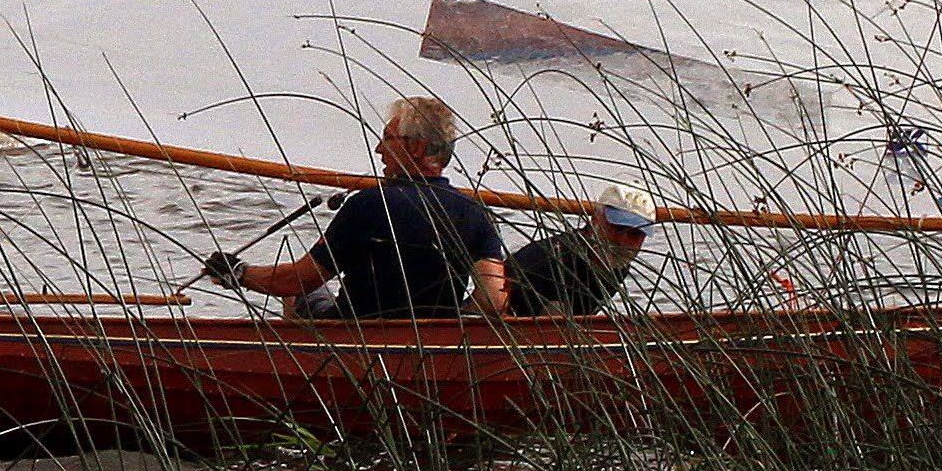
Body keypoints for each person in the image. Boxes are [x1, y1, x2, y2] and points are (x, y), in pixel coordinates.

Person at [207, 96, 510, 319]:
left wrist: (239, 273)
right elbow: (494, 300)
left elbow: (300, 279)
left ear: (416, 148)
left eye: (387, 139)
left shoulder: (368, 205)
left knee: (300, 293)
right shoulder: (473, 212)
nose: (379, 149)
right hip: (430, 349)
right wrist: (452, 325)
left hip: (355, 337)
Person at [503, 188, 658, 317]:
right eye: (617, 228)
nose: (623, 241)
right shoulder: (556, 259)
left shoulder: (619, 262)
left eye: (635, 234)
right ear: (595, 220)